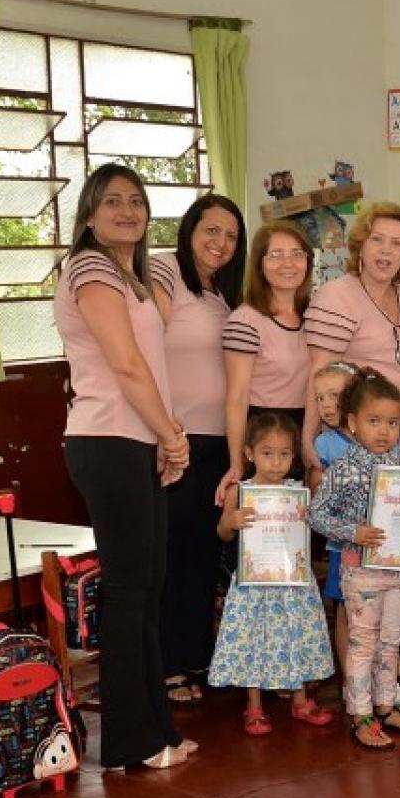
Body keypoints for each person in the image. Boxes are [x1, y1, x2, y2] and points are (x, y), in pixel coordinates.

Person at [54, 162, 191, 772]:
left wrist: (163, 432)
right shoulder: (89, 269)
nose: (127, 211)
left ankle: (158, 729)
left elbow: (152, 367)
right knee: (129, 591)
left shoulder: (131, 276)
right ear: (89, 213)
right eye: (112, 201)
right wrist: (171, 436)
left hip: (136, 438)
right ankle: (131, 743)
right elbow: (127, 365)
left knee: (148, 586)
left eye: (136, 201)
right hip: (107, 440)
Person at [150, 195, 245, 703]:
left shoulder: (226, 293)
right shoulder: (165, 273)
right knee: (172, 554)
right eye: (211, 230)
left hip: (219, 443)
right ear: (189, 229)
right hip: (176, 440)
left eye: (230, 236)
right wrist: (163, 431)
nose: (220, 243)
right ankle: (168, 665)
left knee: (205, 556)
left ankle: (195, 657)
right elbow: (144, 350)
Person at [309, 369, 400, 750]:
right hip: (361, 571)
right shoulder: (344, 468)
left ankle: (385, 706)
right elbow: (315, 514)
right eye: (374, 421)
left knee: (392, 641)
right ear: (353, 422)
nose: (384, 431)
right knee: (363, 643)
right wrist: (353, 531)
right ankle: (360, 714)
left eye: (393, 423)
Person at [208, 412, 336, 735]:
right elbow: (222, 532)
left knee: (295, 634)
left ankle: (300, 699)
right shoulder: (240, 491)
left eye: (284, 454)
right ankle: (254, 707)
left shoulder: (297, 492)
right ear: (250, 453)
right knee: (255, 638)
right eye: (267, 453)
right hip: (253, 582)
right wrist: (232, 521)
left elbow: (315, 529)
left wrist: (309, 515)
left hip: (292, 581)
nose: (276, 463)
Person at [303, 201, 400, 471]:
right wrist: (308, 437)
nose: (386, 250)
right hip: (351, 448)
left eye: (397, 243)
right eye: (377, 239)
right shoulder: (336, 297)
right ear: (361, 246)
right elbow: (319, 373)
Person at [220, 222, 316, 487]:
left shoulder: (314, 316)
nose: (288, 263)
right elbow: (236, 398)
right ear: (259, 265)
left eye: (297, 254)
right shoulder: (245, 321)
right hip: (264, 437)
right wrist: (237, 462)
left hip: (304, 433)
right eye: (276, 255)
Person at [312, 361, 359, 677]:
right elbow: (319, 493)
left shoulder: (375, 436)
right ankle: (350, 677)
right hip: (343, 545)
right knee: (346, 609)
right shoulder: (324, 444)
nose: (326, 405)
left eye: (334, 396)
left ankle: (378, 672)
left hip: (376, 543)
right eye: (319, 398)